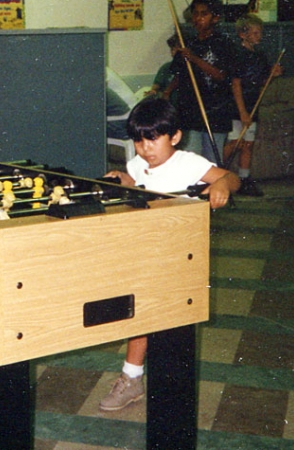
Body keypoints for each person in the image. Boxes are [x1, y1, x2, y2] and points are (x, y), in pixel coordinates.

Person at [100, 96, 239, 411]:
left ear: (174, 136)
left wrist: (222, 186)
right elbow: (139, 186)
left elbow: (231, 178)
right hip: (146, 248)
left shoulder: (187, 162)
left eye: (153, 138)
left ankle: (135, 378)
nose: (145, 147)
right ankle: (133, 378)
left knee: (157, 320)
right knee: (142, 314)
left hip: (178, 254)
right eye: (138, 140)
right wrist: (123, 179)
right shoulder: (138, 164)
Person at [161, 0, 237, 165]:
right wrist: (166, 93)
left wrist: (194, 58)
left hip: (216, 111)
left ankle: (211, 192)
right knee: (191, 160)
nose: (198, 18)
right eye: (195, 14)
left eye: (204, 14)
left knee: (212, 162)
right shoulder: (188, 43)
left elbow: (221, 75)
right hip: (190, 111)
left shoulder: (224, 44)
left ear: (215, 18)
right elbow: (179, 74)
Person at [223, 14, 283, 196]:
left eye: (260, 32)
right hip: (236, 106)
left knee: (248, 144)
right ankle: (216, 174)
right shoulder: (237, 54)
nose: (259, 36)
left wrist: (272, 75)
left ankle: (244, 179)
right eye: (255, 32)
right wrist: (242, 112)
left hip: (252, 105)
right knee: (235, 142)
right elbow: (236, 83)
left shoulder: (260, 55)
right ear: (243, 34)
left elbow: (262, 84)